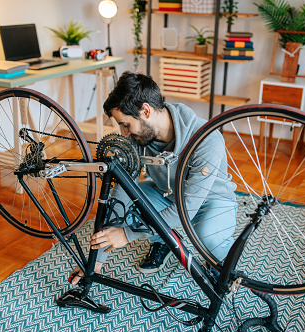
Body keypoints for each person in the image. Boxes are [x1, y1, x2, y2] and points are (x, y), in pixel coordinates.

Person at [70, 71, 237, 285]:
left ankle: (218, 260)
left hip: (210, 201)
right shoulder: (138, 137)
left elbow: (186, 209)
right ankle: (163, 240)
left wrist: (127, 234)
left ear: (146, 111)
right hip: (166, 194)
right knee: (127, 203)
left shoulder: (207, 138)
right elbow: (121, 191)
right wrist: (96, 261)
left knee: (208, 238)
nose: (124, 134)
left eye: (126, 124)